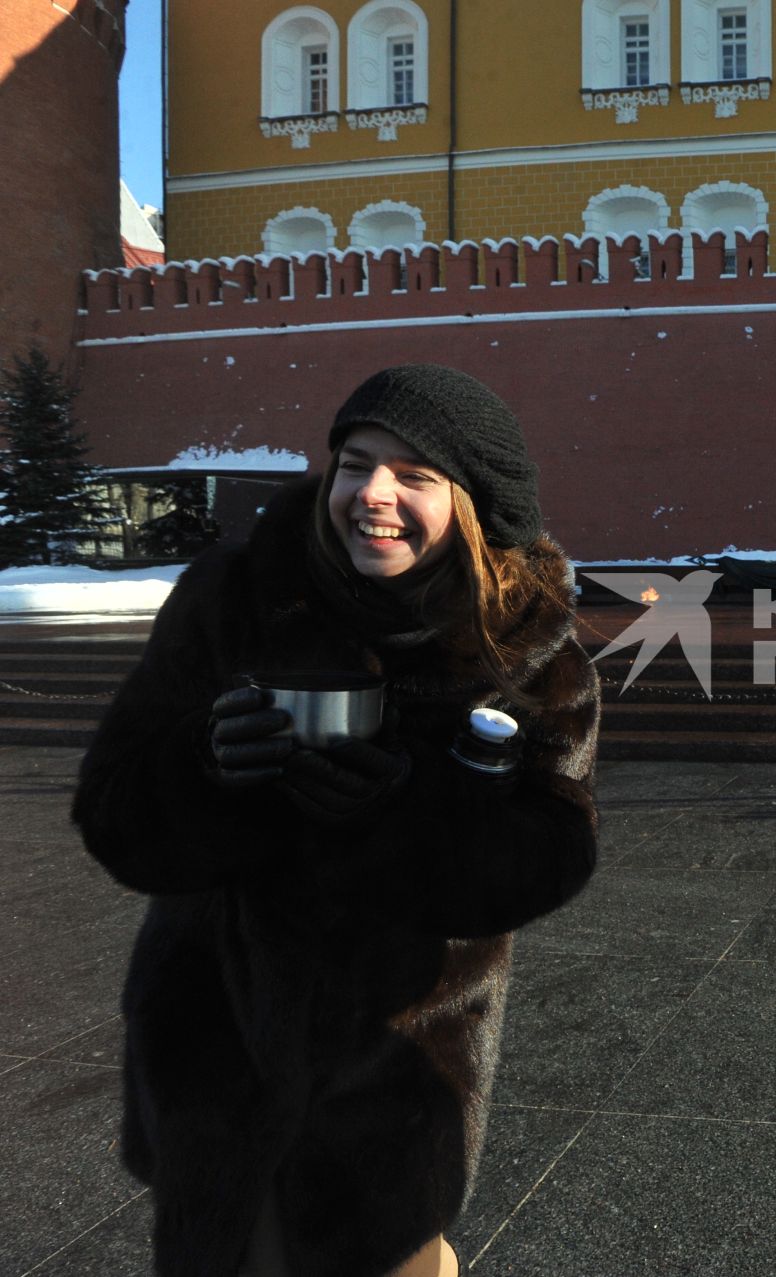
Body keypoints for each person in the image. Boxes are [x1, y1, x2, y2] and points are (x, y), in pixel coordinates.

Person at [71, 365, 602, 1277]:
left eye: (417, 476)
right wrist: (203, 768)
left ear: (475, 504)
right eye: (357, 463)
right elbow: (114, 812)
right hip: (214, 1052)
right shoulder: (233, 596)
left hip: (399, 1078)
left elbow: (549, 856)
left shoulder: (523, 647)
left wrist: (403, 812)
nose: (375, 495)